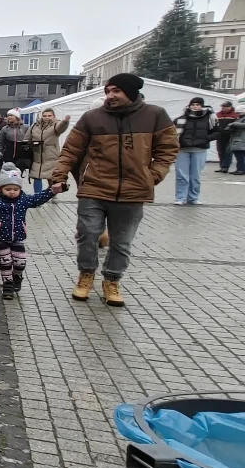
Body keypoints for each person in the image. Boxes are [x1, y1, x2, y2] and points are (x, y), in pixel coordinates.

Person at [52, 73, 178, 307]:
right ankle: (86, 274)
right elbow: (70, 150)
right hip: (94, 188)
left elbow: (168, 149)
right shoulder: (92, 118)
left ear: (130, 92)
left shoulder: (155, 116)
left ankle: (112, 280)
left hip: (133, 191)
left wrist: (153, 175)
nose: (111, 96)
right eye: (108, 91)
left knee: (121, 241)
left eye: (116, 91)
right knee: (88, 234)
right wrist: (58, 176)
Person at [0, 164, 55, 299]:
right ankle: (8, 286)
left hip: (18, 237)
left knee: (20, 262)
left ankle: (17, 276)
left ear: (20, 189)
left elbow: (37, 199)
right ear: (1, 188)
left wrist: (53, 190)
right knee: (5, 263)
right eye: (8, 189)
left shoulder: (23, 199)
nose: (12, 192)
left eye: (15, 189)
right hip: (0, 238)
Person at [172, 97, 215, 205]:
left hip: (200, 150)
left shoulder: (210, 118)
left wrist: (206, 138)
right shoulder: (181, 118)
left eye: (197, 104)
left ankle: (193, 198)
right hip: (183, 149)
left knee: (195, 176)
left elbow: (217, 132)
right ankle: (180, 198)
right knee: (182, 175)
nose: (195, 106)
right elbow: (172, 132)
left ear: (202, 106)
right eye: (193, 104)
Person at [27, 109, 70, 194]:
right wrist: (28, 144)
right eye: (45, 115)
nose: (47, 117)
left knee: (51, 177)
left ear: (53, 116)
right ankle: (37, 196)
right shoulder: (35, 125)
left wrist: (65, 122)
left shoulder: (55, 124)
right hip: (37, 156)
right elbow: (27, 137)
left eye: (49, 115)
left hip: (51, 156)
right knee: (37, 177)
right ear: (41, 116)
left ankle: (53, 194)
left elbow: (60, 128)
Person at [0, 109, 33, 174]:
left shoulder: (25, 127)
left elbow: (31, 138)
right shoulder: (5, 129)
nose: (9, 117)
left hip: (22, 154)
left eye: (11, 115)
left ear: (17, 117)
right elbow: (0, 141)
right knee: (10, 173)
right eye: (8, 115)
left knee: (19, 173)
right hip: (9, 154)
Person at [215, 101, 239, 173]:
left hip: (230, 135)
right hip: (220, 135)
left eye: (225, 107)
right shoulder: (218, 114)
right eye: (222, 106)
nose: (223, 108)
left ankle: (225, 166)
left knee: (228, 151)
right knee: (220, 151)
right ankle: (222, 166)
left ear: (230, 107)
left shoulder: (234, 115)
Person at [228, 106, 245, 175]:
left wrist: (233, 124)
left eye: (239, 113)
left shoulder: (240, 119)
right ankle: (240, 169)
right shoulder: (239, 118)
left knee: (240, 156)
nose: (237, 114)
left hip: (241, 139)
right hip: (238, 140)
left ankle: (241, 169)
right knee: (239, 156)